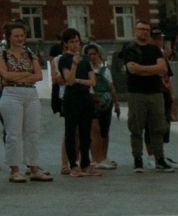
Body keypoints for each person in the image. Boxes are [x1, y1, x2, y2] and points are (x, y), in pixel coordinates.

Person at [122, 20, 173, 173]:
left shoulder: (154, 50)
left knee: (158, 127)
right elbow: (132, 69)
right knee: (136, 127)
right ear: (135, 31)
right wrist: (152, 69)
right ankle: (138, 159)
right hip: (136, 92)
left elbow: (162, 68)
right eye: (141, 29)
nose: (144, 32)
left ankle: (159, 158)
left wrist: (142, 69)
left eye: (147, 30)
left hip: (155, 92)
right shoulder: (129, 48)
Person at [1, 23, 46, 181]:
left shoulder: (29, 53)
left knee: (32, 132)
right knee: (13, 133)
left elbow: (39, 76)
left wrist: (19, 75)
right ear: (9, 37)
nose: (20, 39)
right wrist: (27, 73)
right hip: (11, 93)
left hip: (30, 93)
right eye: (16, 36)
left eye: (22, 35)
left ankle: (33, 167)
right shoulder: (3, 54)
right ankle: (14, 169)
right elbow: (5, 76)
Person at [54, 29, 97, 177]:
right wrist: (73, 66)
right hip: (71, 99)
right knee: (71, 132)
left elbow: (93, 81)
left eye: (77, 41)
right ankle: (72, 164)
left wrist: (79, 80)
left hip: (85, 97)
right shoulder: (64, 59)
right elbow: (69, 81)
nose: (75, 44)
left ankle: (85, 163)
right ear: (65, 43)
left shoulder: (85, 59)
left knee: (86, 132)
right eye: (71, 41)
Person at [86, 43, 117, 170]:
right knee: (95, 131)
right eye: (89, 54)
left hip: (106, 104)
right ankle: (95, 157)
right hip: (92, 103)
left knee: (105, 131)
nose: (92, 56)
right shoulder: (85, 69)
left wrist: (117, 103)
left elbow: (111, 87)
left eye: (94, 54)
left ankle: (103, 156)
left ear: (99, 55)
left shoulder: (105, 70)